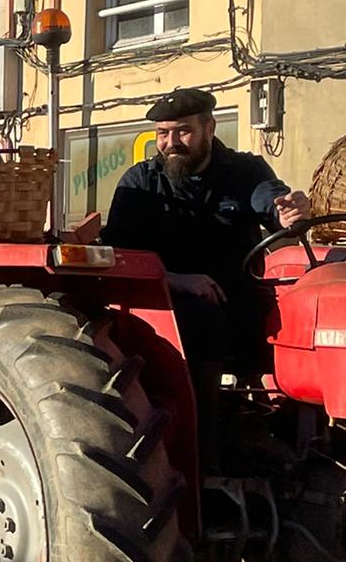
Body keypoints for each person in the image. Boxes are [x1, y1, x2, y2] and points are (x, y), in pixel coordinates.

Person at [101, 87, 310, 468]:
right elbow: (117, 255)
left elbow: (270, 199)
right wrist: (179, 279)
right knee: (202, 316)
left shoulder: (244, 171)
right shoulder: (140, 183)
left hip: (237, 298)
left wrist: (287, 212)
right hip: (165, 302)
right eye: (163, 133)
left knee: (292, 319)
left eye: (183, 131)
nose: (171, 142)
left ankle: (288, 433)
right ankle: (202, 453)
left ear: (209, 128)